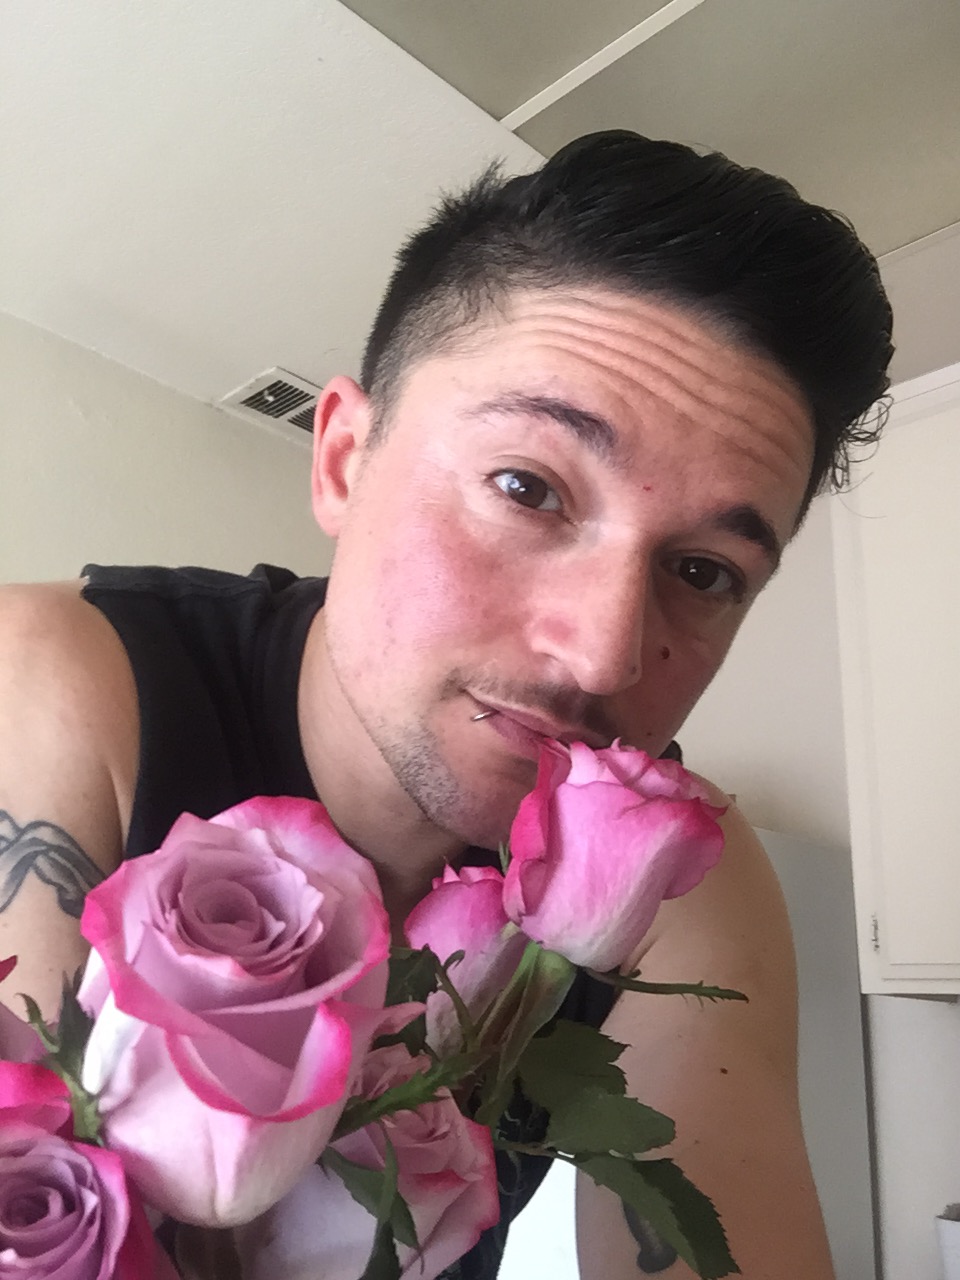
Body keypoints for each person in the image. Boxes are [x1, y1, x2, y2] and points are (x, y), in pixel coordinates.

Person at [0, 130, 892, 1278]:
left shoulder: (670, 876)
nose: (602, 653)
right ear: (342, 457)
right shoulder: (53, 680)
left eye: (703, 569)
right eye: (528, 487)